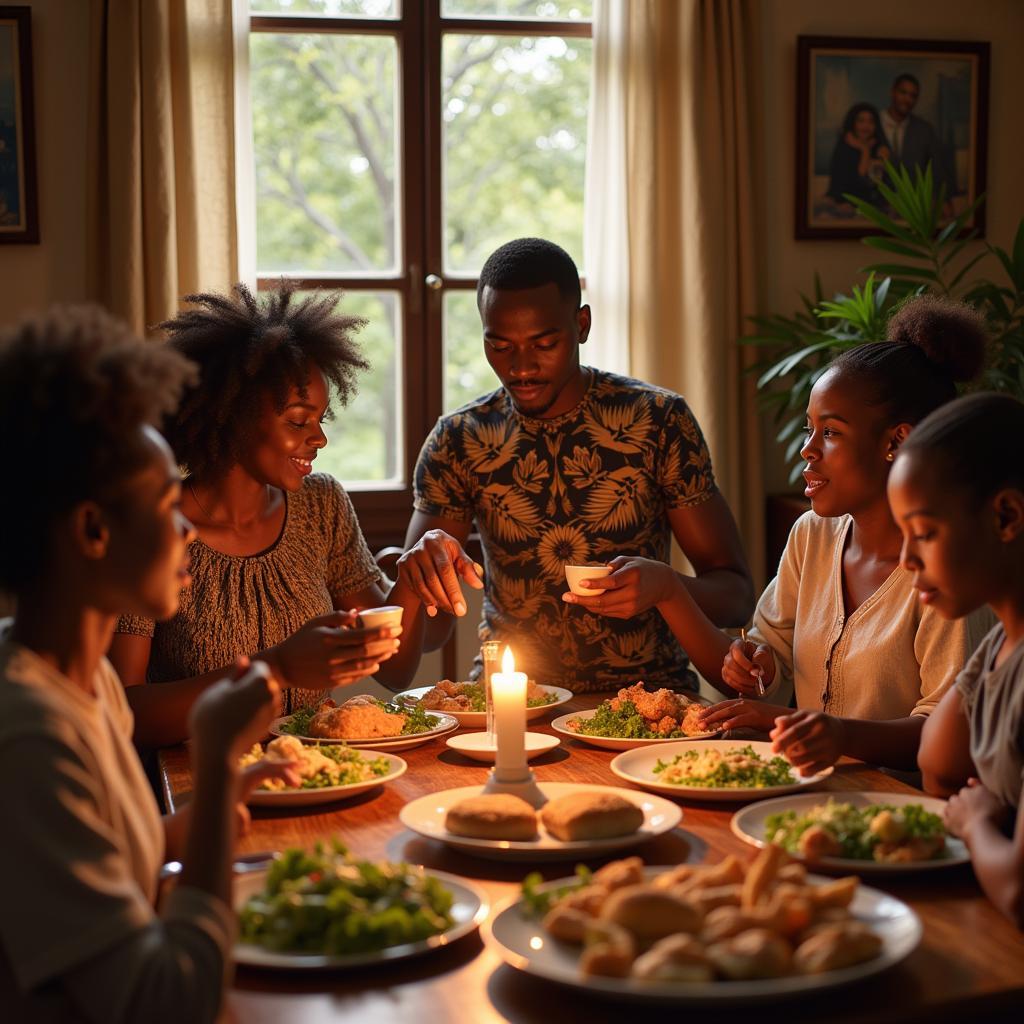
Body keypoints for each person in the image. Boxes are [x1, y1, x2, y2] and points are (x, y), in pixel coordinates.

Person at [0, 305, 297, 1021]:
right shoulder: (30, 737)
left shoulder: (83, 673)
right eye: (168, 502)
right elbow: (165, 1003)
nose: (187, 526)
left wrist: (219, 806)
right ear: (94, 531)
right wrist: (217, 753)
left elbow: (120, 858)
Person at [643, 295, 993, 773]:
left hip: (908, 815)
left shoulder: (948, 571)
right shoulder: (814, 535)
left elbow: (951, 733)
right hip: (813, 794)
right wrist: (755, 663)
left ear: (897, 442)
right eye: (810, 429)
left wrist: (824, 731)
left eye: (830, 432)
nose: (808, 450)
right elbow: (771, 656)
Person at [397, 237, 755, 692]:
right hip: (512, 699)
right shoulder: (460, 440)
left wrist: (665, 589)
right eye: (500, 346)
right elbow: (428, 635)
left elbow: (737, 597)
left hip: (649, 701)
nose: (522, 368)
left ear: (581, 324)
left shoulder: (657, 421)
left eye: (544, 343)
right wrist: (416, 582)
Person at [109, 283, 426, 749]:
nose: (318, 439)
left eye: (320, 420)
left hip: (319, 773)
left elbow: (396, 669)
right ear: (232, 415)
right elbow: (125, 713)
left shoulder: (321, 504)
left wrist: (415, 579)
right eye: (298, 421)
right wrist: (274, 668)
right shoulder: (154, 524)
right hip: (201, 788)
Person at [891, 393, 1024, 929]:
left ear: (1007, 516)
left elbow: (1018, 890)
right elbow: (937, 765)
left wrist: (975, 824)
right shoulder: (1001, 644)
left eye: (923, 533)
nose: (906, 560)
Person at [880, 73, 956, 209]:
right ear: (893, 92)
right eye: (903, 92)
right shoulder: (872, 124)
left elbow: (937, 168)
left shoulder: (924, 130)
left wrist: (942, 199)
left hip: (914, 209)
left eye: (913, 96)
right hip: (877, 209)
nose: (907, 99)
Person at [825, 103, 890, 211]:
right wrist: (864, 149)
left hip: (873, 205)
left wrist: (865, 150)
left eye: (871, 122)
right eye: (861, 121)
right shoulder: (844, 147)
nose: (866, 126)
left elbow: (869, 180)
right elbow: (838, 185)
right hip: (843, 204)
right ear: (853, 123)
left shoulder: (880, 148)